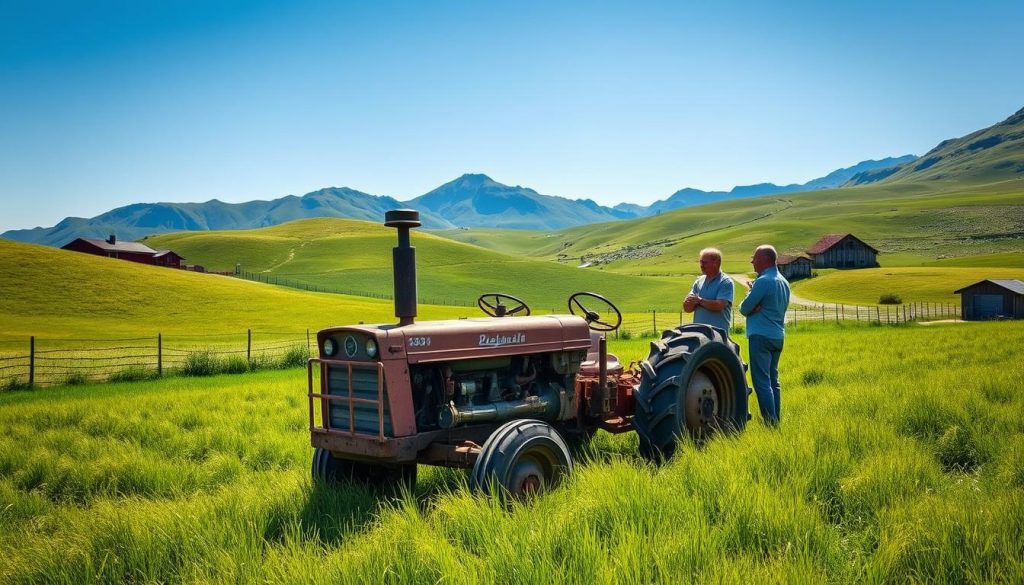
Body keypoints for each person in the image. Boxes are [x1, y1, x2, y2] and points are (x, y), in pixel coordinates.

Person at [739, 245, 791, 427]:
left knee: (761, 382)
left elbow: (744, 308)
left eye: (755, 258)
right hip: (778, 335)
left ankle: (769, 423)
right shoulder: (783, 281)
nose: (752, 261)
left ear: (764, 260)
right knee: (773, 380)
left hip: (761, 335)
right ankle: (776, 420)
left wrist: (751, 297)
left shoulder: (763, 281)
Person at [683, 248, 735, 335]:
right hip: (699, 334)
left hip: (718, 335)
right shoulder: (699, 281)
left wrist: (699, 301)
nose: (701, 265)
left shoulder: (725, 282)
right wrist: (688, 302)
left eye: (705, 262)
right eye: (700, 262)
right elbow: (687, 308)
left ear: (716, 263)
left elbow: (720, 305)